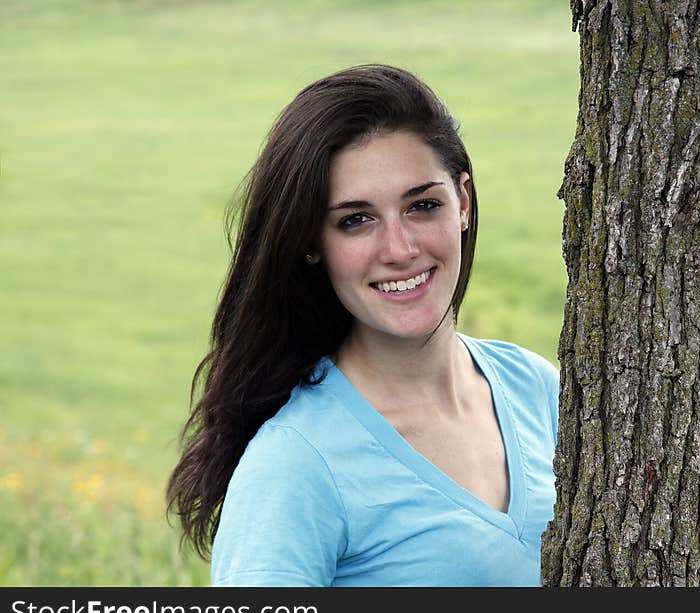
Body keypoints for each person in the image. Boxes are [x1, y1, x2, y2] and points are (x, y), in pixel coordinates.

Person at [166, 64, 560, 586]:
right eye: (356, 220)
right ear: (311, 241)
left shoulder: (537, 387)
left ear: (462, 202)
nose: (400, 249)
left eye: (422, 206)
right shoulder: (295, 464)